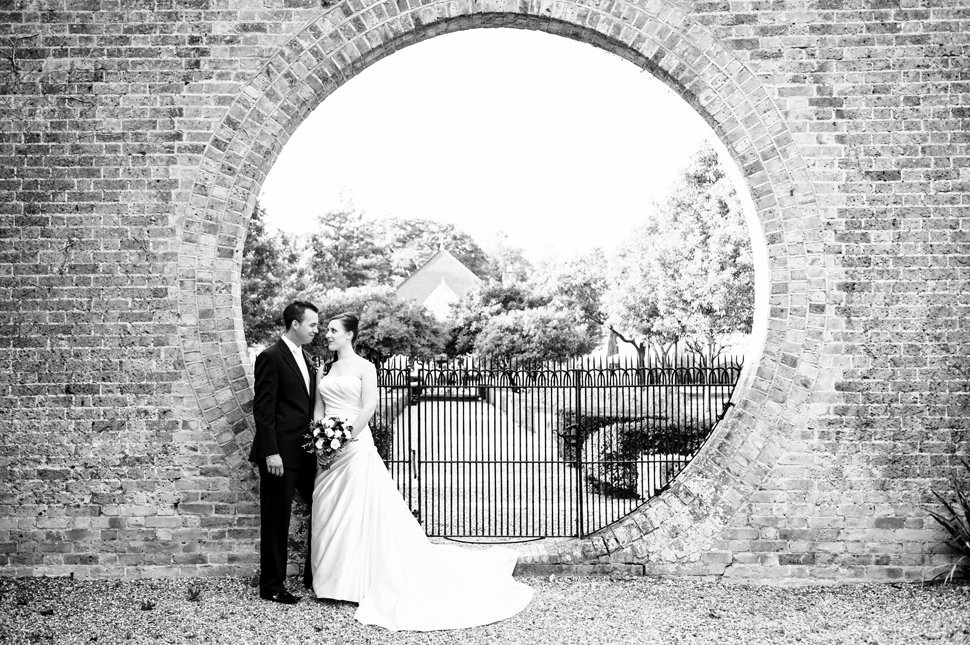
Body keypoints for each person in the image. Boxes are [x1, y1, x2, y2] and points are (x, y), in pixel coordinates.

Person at [309, 313, 534, 631]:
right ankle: (331, 580)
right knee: (330, 511)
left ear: (349, 335)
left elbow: (369, 408)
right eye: (328, 330)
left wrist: (344, 438)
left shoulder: (365, 368)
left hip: (355, 447)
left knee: (358, 511)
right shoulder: (327, 369)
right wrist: (321, 437)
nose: (327, 334)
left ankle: (354, 583)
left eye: (333, 330)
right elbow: (319, 406)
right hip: (328, 450)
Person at [249, 300, 319, 604]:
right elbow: (263, 411)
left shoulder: (308, 358)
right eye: (312, 324)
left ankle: (314, 576)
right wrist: (271, 452)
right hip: (279, 456)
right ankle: (272, 585)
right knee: (276, 519)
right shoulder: (270, 357)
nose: (317, 330)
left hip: (306, 453)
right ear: (295, 324)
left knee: (324, 509)